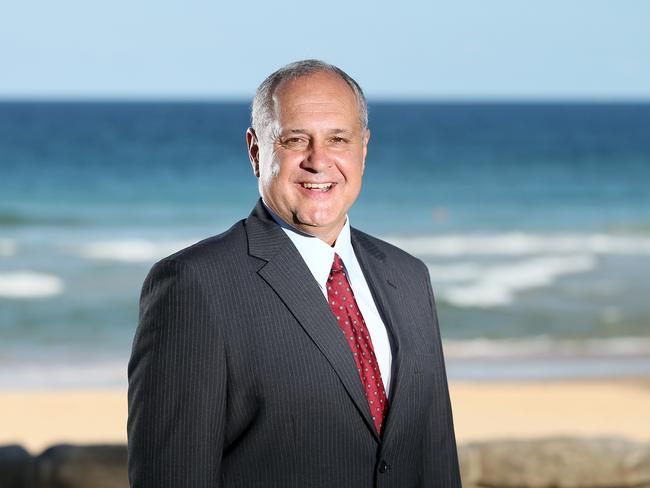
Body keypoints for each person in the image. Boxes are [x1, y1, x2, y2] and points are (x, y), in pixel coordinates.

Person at [127, 59, 461, 487]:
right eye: (294, 140)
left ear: (363, 148)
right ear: (256, 151)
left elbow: (435, 460)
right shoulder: (194, 285)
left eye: (338, 139)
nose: (318, 161)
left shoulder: (409, 276)